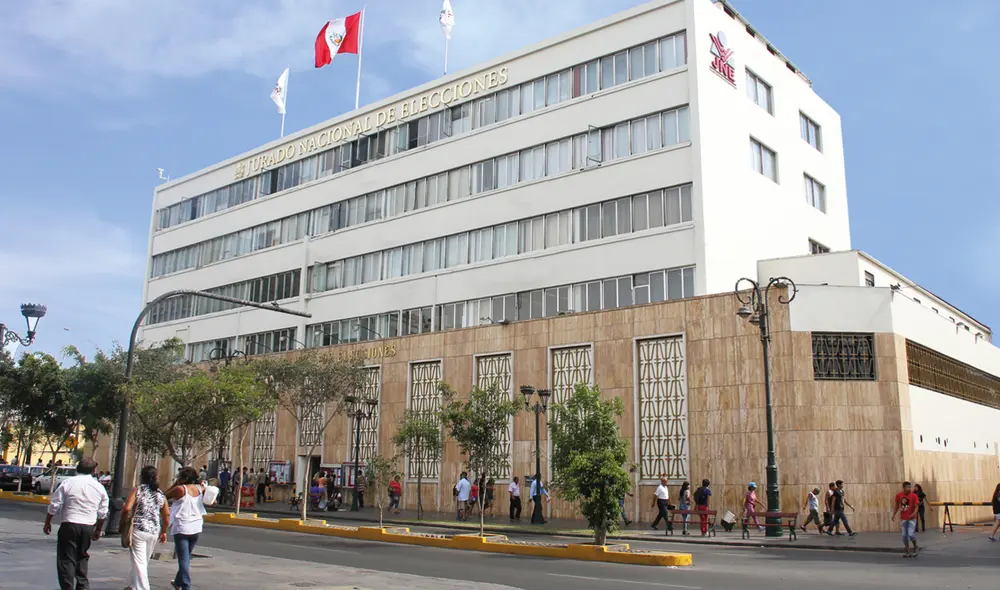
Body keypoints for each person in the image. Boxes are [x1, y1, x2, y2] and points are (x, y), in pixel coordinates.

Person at [43, 457, 108, 590]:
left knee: (66, 559)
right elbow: (102, 512)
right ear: (94, 470)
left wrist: (48, 522)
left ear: (78, 468)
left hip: (69, 524)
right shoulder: (99, 487)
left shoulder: (68, 483)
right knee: (82, 556)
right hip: (88, 526)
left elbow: (55, 505)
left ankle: (67, 586)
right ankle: (83, 585)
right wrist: (98, 529)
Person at [123, 466, 169, 590]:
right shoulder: (160, 494)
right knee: (143, 561)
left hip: (139, 529)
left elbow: (127, 508)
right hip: (154, 531)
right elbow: (166, 516)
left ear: (141, 477)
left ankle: (143, 587)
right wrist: (164, 532)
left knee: (140, 562)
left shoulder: (137, 490)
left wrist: (123, 523)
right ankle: (131, 585)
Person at [166, 467, 206, 590]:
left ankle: (186, 586)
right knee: (186, 557)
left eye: (180, 477)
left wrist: (175, 483)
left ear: (185, 478)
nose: (178, 479)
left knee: (183, 559)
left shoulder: (180, 489)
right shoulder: (200, 488)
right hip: (196, 526)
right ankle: (178, 582)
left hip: (182, 527)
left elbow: (164, 496)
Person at [891, 481, 920, 557]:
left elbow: (917, 506)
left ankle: (915, 546)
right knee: (904, 535)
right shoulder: (899, 496)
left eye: (910, 487)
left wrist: (914, 513)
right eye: (908, 487)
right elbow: (897, 506)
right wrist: (894, 514)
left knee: (911, 534)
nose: (909, 488)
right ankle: (907, 550)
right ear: (904, 488)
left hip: (912, 518)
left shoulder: (914, 496)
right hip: (904, 518)